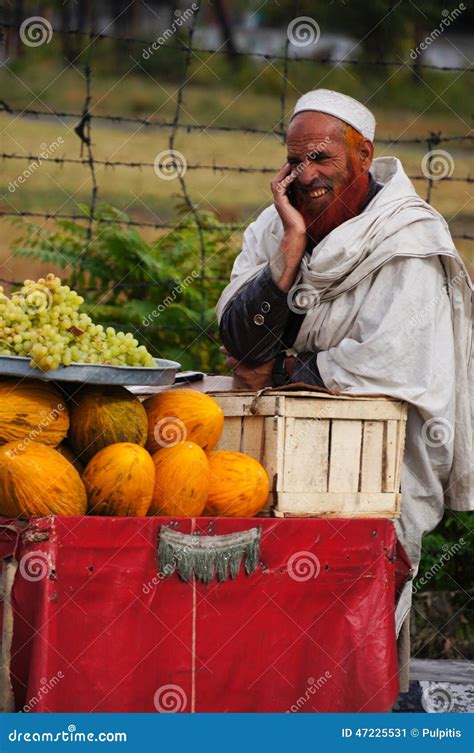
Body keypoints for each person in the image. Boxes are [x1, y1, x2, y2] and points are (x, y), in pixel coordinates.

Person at [216, 89, 473, 693]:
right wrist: (289, 251)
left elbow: (390, 366)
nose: (305, 175)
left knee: (346, 613)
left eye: (322, 159)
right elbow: (237, 336)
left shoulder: (405, 242)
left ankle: (363, 708)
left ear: (364, 156)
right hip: (280, 452)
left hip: (375, 462)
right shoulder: (276, 223)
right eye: (294, 159)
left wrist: (277, 375)